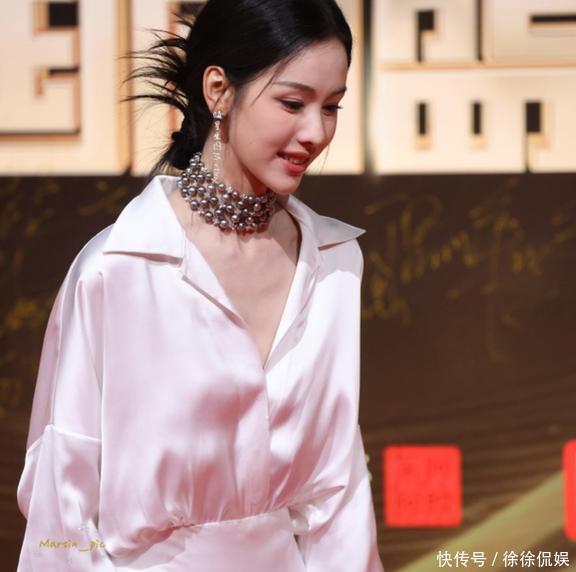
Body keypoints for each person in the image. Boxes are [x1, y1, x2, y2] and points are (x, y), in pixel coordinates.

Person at [16, 0, 385, 570]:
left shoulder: (334, 263)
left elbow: (338, 494)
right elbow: (62, 507)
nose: (316, 132)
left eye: (331, 106)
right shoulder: (119, 269)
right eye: (293, 103)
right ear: (219, 91)